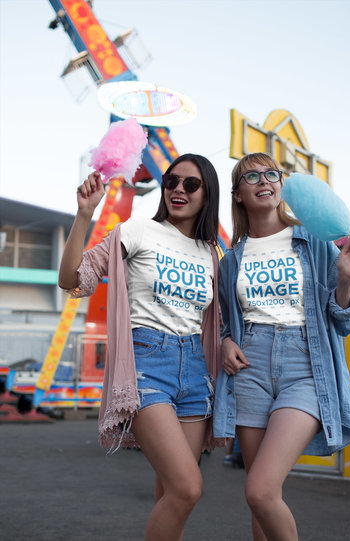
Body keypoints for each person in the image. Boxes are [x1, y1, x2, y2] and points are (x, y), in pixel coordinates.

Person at [58, 153, 221, 541]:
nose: (178, 189)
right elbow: (72, 279)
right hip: (147, 364)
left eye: (191, 184)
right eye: (171, 181)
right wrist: (84, 214)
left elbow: (219, 318)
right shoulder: (136, 231)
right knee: (188, 487)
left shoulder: (211, 252)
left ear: (206, 194)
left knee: (170, 492)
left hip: (196, 371)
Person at [213, 152, 350, 541]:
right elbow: (220, 321)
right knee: (262, 497)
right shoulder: (231, 260)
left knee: (260, 490)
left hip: (305, 367)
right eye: (252, 176)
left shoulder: (314, 243)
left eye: (271, 174)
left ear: (281, 186)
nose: (264, 180)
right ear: (237, 194)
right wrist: (224, 341)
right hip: (250, 366)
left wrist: (346, 279)